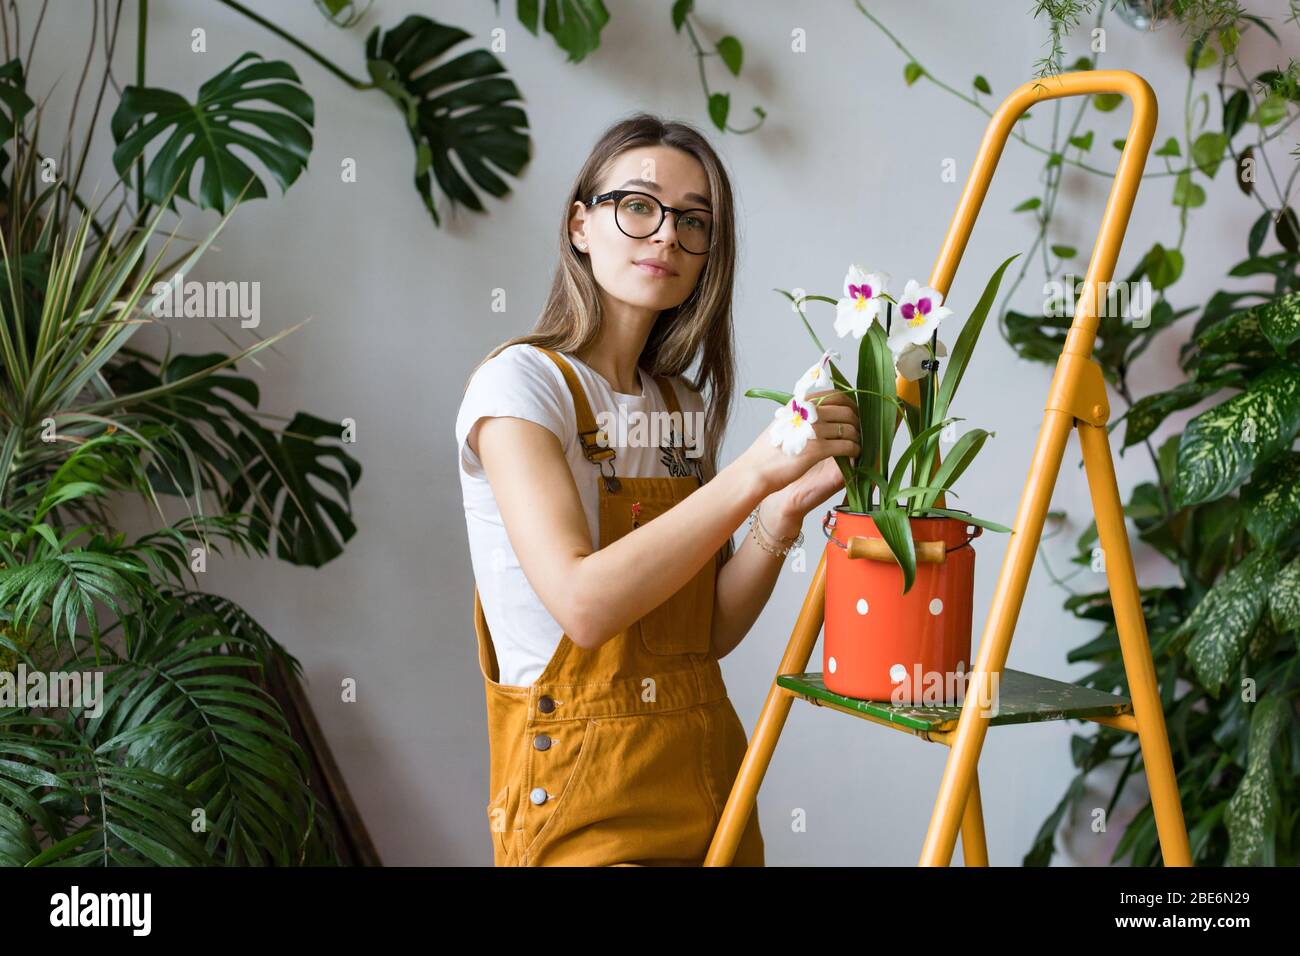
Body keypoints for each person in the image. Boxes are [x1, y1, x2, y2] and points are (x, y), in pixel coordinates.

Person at [455, 112, 860, 866]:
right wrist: (752, 473)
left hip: (705, 773)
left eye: (693, 220)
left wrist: (782, 507)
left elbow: (702, 635)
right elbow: (584, 605)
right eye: (638, 206)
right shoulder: (519, 387)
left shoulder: (678, 404)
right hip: (582, 795)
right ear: (581, 225)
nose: (666, 235)